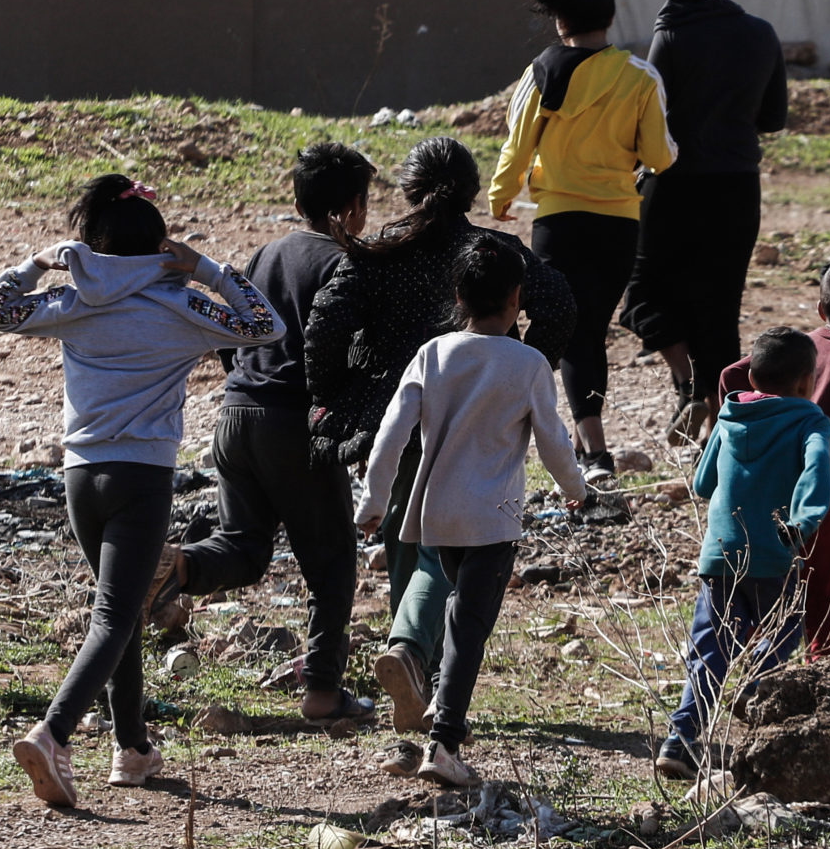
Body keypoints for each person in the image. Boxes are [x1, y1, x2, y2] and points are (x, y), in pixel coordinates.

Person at [0, 175, 277, 810]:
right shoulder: (183, 307)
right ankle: (53, 734)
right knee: (116, 615)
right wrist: (209, 269)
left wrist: (35, 261)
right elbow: (265, 326)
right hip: (142, 478)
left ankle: (131, 746)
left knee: (124, 611)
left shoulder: (73, 303)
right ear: (159, 248)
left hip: (80, 477)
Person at [302, 137, 572, 728]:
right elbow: (561, 303)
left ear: (408, 190)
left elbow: (325, 323)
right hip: (479, 421)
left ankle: (411, 666)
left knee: (408, 539)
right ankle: (413, 659)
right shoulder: (496, 254)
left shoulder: (377, 252)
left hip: (393, 412)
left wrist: (339, 392)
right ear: (473, 191)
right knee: (438, 555)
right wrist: (520, 368)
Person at [147, 142, 375, 723]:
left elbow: (233, 332)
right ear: (352, 209)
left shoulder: (266, 253)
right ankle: (323, 691)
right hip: (295, 425)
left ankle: (175, 567)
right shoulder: (346, 264)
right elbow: (351, 352)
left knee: (245, 549)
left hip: (236, 415)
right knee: (331, 565)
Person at [357, 238, 588, 788]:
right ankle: (444, 743)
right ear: (517, 300)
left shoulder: (433, 354)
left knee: (452, 609)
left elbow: (392, 434)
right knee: (468, 627)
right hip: (494, 519)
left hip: (436, 518)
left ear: (459, 296)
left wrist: (372, 500)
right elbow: (554, 440)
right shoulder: (529, 363)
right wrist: (574, 486)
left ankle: (440, 705)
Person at [490, 0, 675, 483]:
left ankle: (586, 449)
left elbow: (516, 143)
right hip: (618, 223)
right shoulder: (640, 75)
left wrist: (500, 195)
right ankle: (586, 444)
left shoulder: (541, 72)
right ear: (610, 18)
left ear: (559, 21)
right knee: (588, 326)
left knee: (573, 329)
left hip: (558, 221)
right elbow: (660, 156)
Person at [622, 0, 788, 442]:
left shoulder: (670, 31)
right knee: (720, 309)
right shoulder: (761, 34)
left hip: (674, 184)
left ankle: (690, 385)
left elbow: (651, 114)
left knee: (643, 294)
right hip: (738, 187)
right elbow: (774, 116)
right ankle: (722, 433)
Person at [656, 327, 830, 782]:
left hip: (721, 555)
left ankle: (679, 741)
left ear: (752, 376)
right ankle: (755, 693)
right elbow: (815, 468)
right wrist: (803, 520)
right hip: (775, 551)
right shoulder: (810, 420)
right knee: (785, 629)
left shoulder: (731, 413)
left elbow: (701, 483)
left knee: (709, 648)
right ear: (805, 382)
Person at [712, 261, 830, 657]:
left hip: (768, 490)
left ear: (820, 309)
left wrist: (740, 428)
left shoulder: (794, 350)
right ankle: (821, 667)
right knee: (825, 586)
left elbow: (730, 375)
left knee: (767, 580)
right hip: (823, 497)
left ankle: (755, 665)